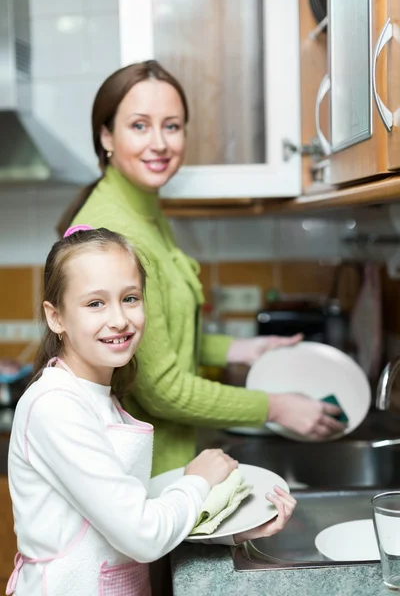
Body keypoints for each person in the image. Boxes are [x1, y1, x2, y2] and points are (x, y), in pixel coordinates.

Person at [57, 60, 345, 477]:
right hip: (141, 480)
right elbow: (163, 390)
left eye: (172, 126)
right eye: (139, 126)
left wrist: (236, 349)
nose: (159, 143)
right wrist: (277, 406)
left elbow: (155, 336)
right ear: (106, 135)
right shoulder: (117, 233)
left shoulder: (144, 210)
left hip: (165, 467)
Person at [6, 226, 296, 596]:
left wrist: (230, 532)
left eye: (130, 298)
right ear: (56, 317)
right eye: (95, 303)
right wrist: (198, 479)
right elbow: (142, 535)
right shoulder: (55, 407)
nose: (119, 319)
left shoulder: (97, 394)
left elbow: (128, 516)